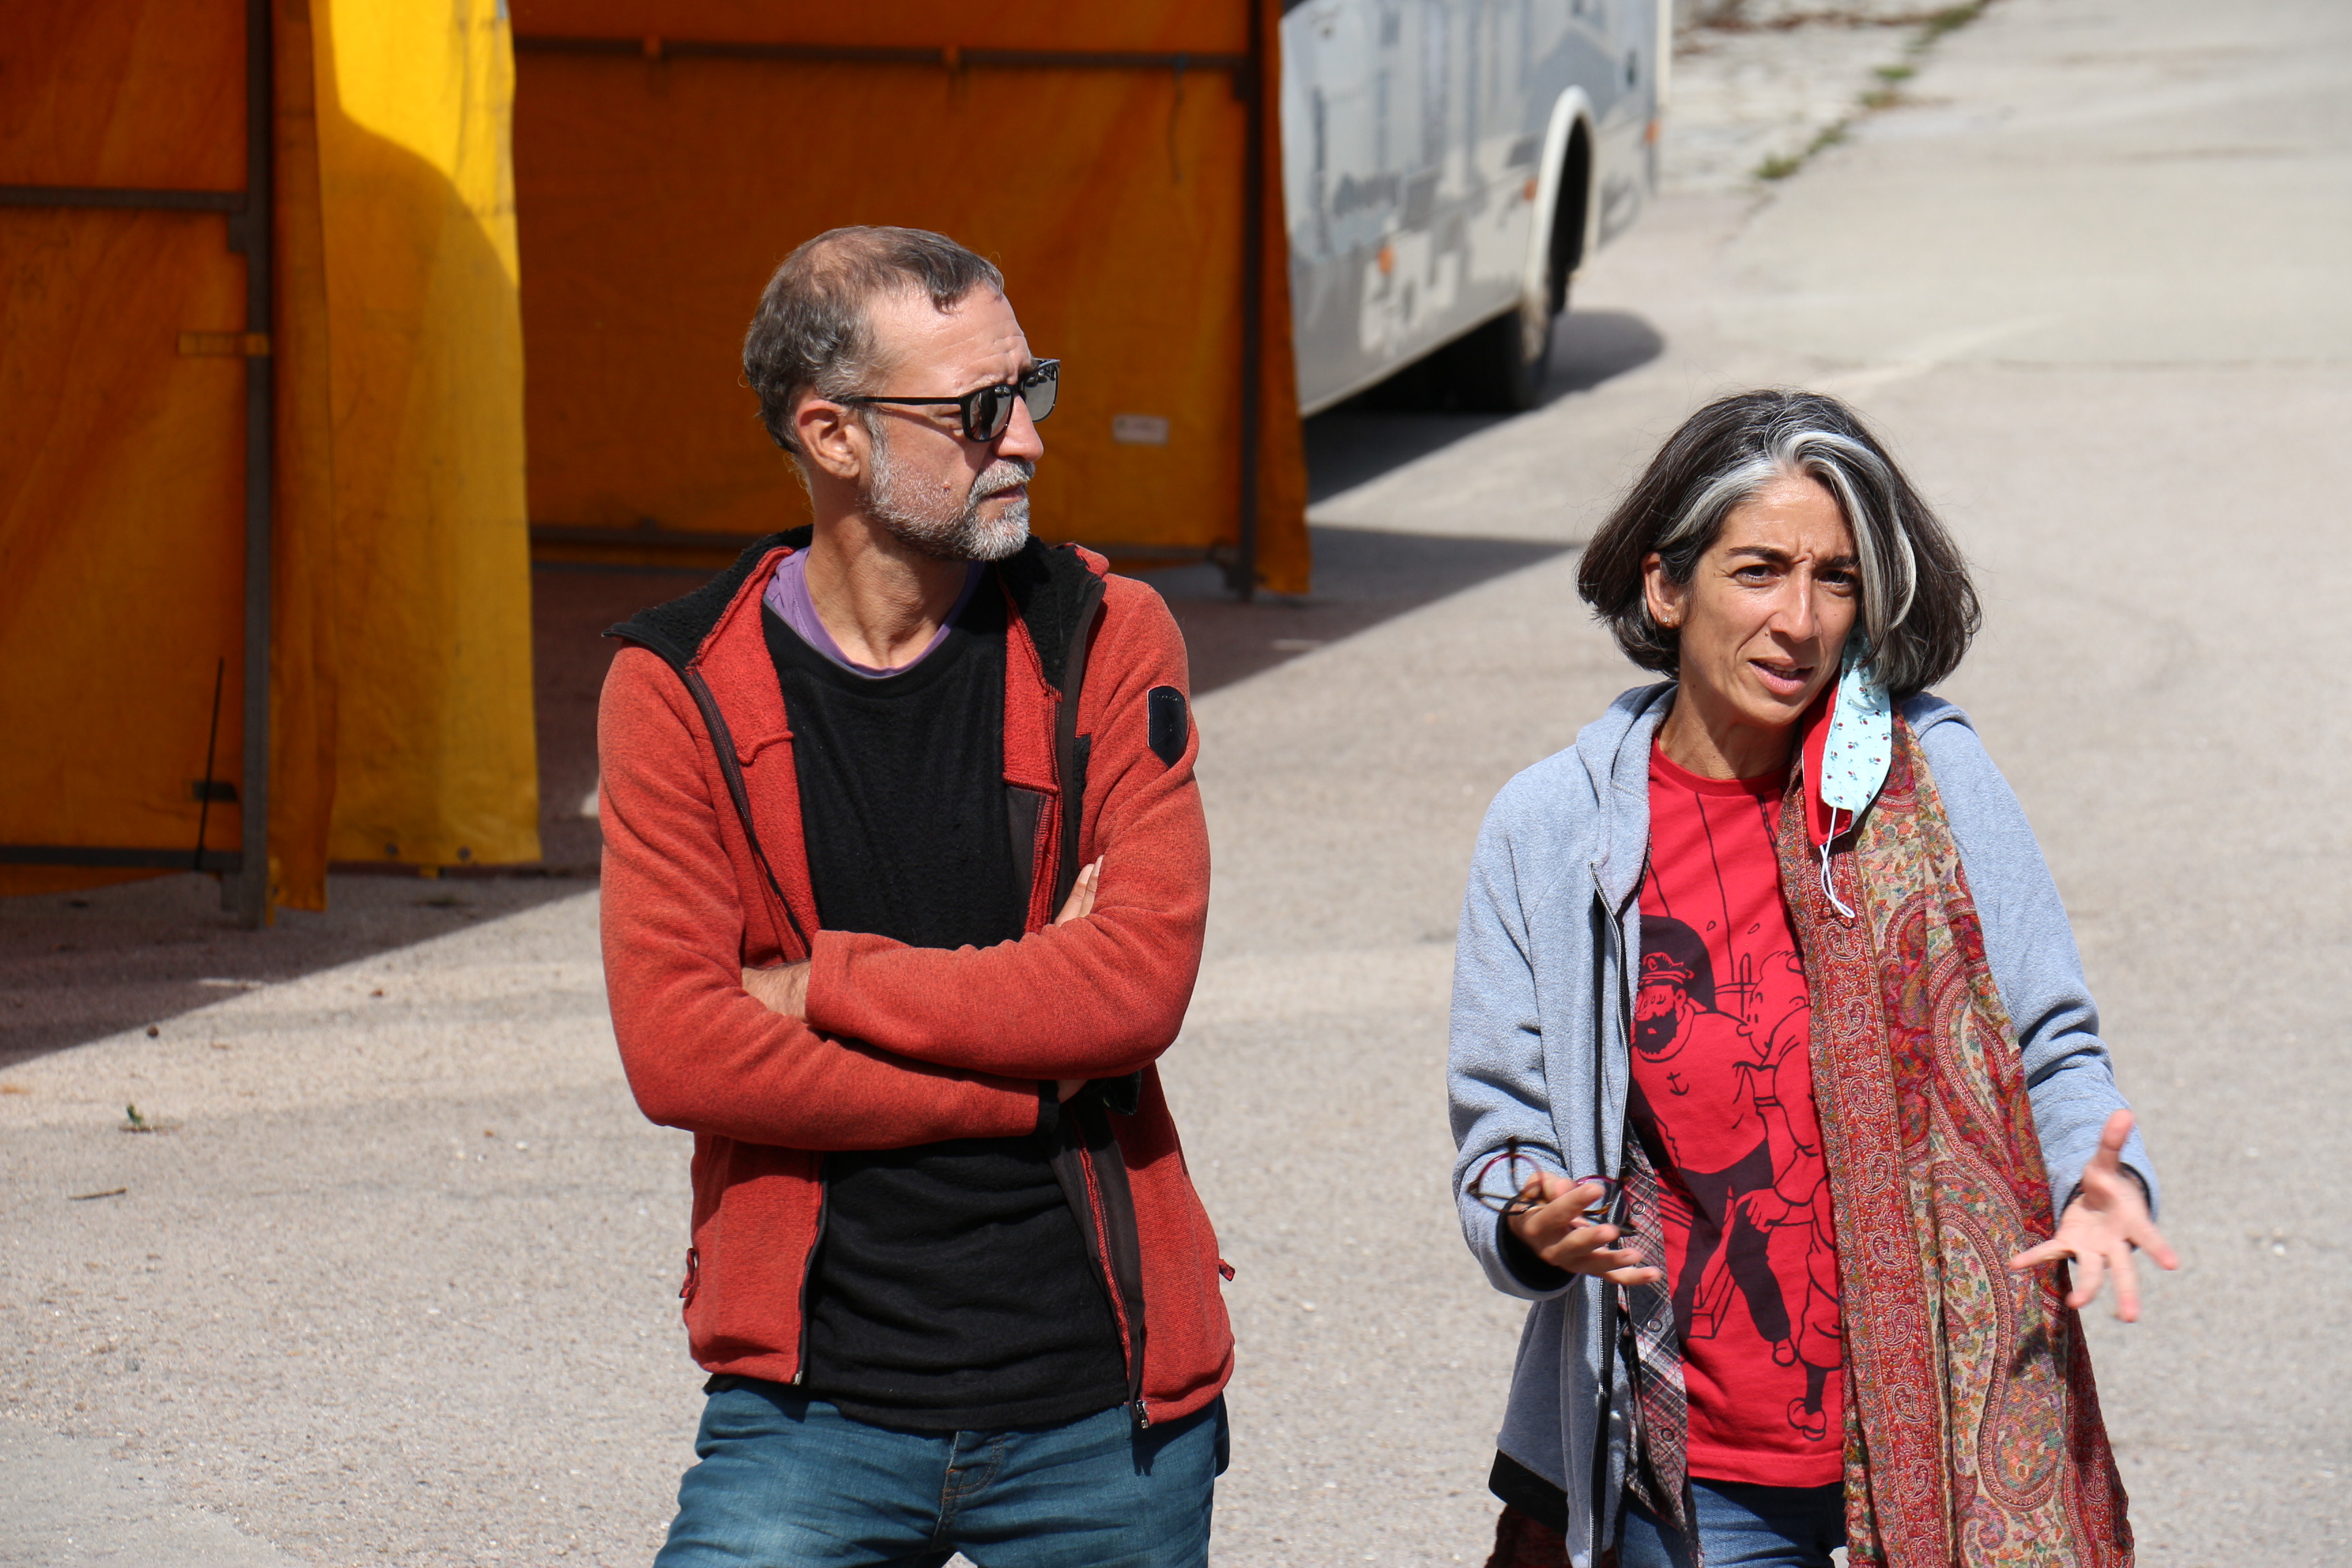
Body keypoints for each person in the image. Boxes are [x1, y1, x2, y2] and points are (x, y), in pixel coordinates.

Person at [1448, 390, 2176, 1568]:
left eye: (1835, 579)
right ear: (1664, 587)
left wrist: (2101, 1175)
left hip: (1947, 1430)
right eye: (1758, 571)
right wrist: (1530, 1223)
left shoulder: (1933, 781)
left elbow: (2050, 1047)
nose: (1799, 619)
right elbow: (1502, 1129)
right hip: (1696, 1473)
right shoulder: (1553, 829)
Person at [597, 227, 1231, 1568]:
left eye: (1030, 388)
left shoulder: (1112, 638)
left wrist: (825, 987)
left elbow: (1135, 986)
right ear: (831, 436)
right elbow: (679, 1049)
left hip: (1105, 1410)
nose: (1028, 442)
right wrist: (1032, 1072)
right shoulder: (678, 688)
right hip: (811, 1411)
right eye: (977, 410)